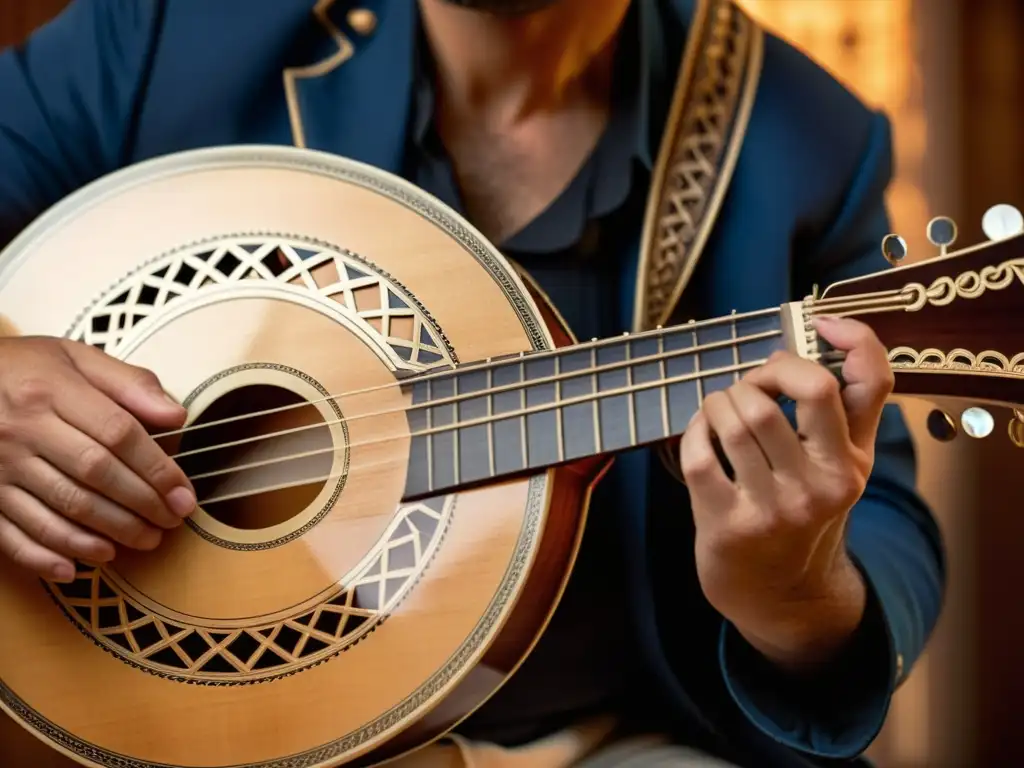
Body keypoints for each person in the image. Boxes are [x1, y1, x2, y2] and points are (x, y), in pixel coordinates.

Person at [0, 1, 946, 767]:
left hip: (621, 742)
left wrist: (795, 592)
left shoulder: (804, 137)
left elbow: (883, 533)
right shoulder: (164, 34)